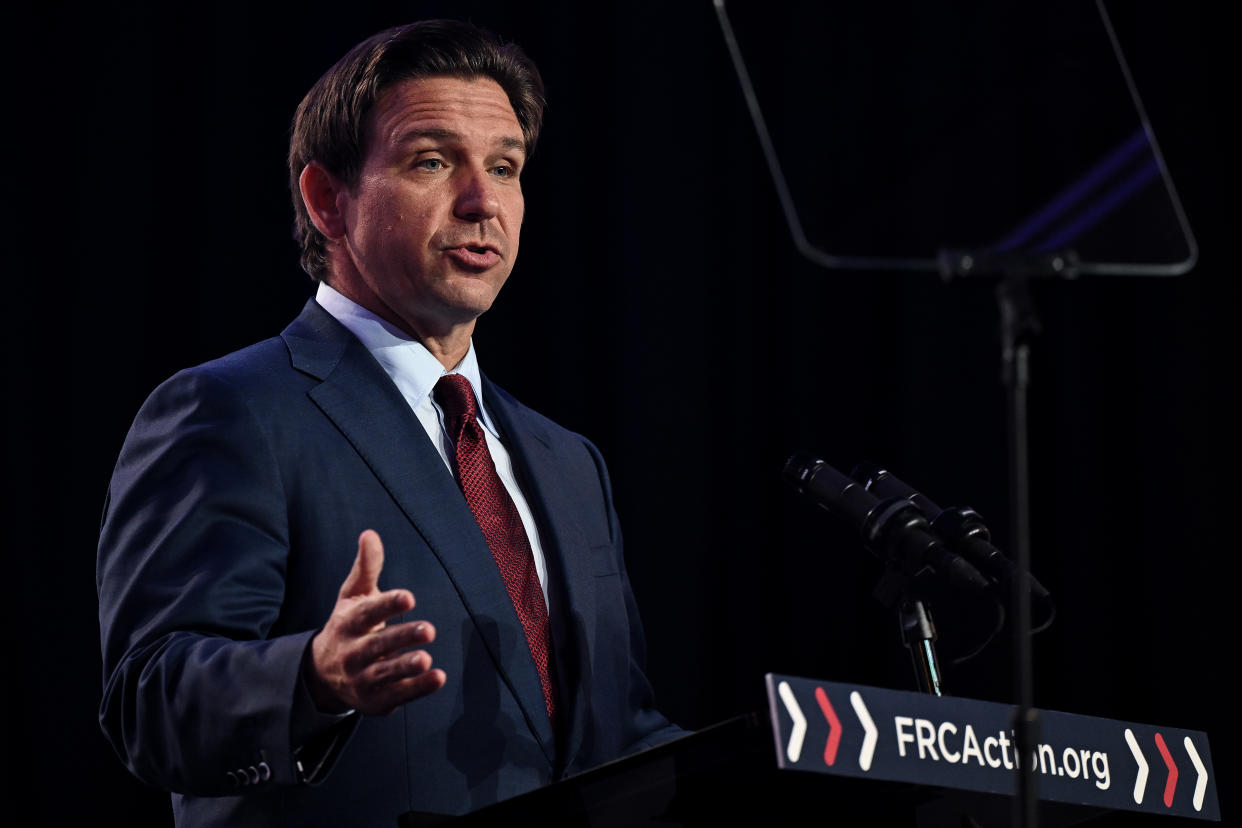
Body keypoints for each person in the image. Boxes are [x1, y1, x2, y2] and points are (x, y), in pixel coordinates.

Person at [96, 20, 681, 827]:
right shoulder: (230, 411)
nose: (482, 201)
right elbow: (149, 703)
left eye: (505, 167)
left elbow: (616, 739)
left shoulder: (568, 461)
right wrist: (313, 677)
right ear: (327, 200)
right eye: (433, 162)